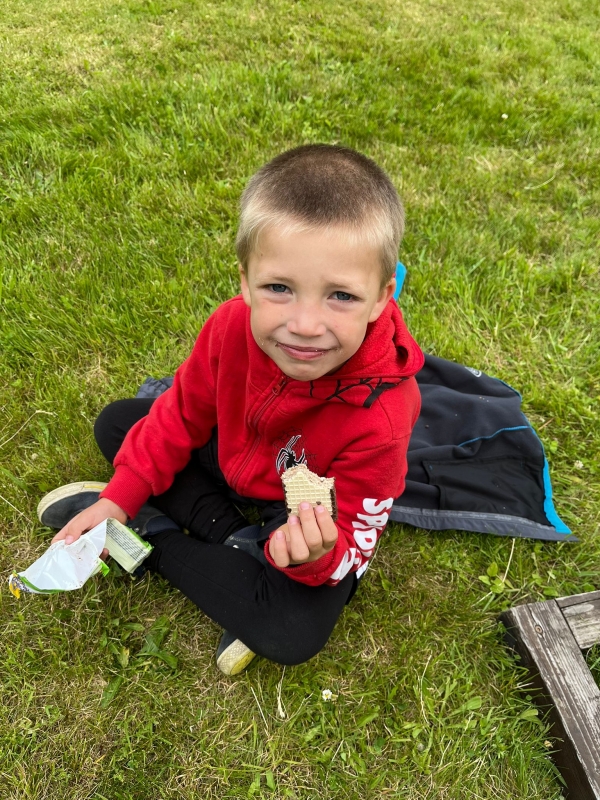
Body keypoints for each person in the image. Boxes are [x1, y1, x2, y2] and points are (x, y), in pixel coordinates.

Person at [38, 144, 424, 675]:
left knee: (292, 631)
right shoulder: (228, 326)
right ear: (245, 280)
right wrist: (119, 497)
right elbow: (180, 413)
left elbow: (358, 534)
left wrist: (315, 558)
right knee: (119, 423)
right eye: (279, 288)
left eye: (341, 296)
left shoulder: (383, 414)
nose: (305, 325)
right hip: (231, 457)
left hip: (299, 515)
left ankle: (151, 541)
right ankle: (230, 542)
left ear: (383, 296)